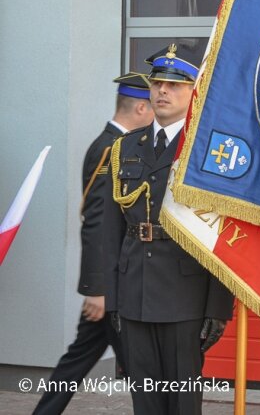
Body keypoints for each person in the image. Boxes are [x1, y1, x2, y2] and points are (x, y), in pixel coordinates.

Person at [102, 44, 234, 415]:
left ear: (195, 91)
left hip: (185, 295)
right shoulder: (125, 147)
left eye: (175, 85)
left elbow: (222, 234)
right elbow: (110, 232)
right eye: (158, 83)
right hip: (135, 291)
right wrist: (112, 297)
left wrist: (218, 307)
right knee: (144, 399)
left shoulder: (208, 152)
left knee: (182, 402)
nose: (162, 91)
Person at [33, 73, 153, 415]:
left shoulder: (118, 146)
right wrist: (98, 288)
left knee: (83, 358)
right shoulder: (111, 150)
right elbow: (97, 223)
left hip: (117, 284)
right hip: (112, 289)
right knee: (141, 368)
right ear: (141, 107)